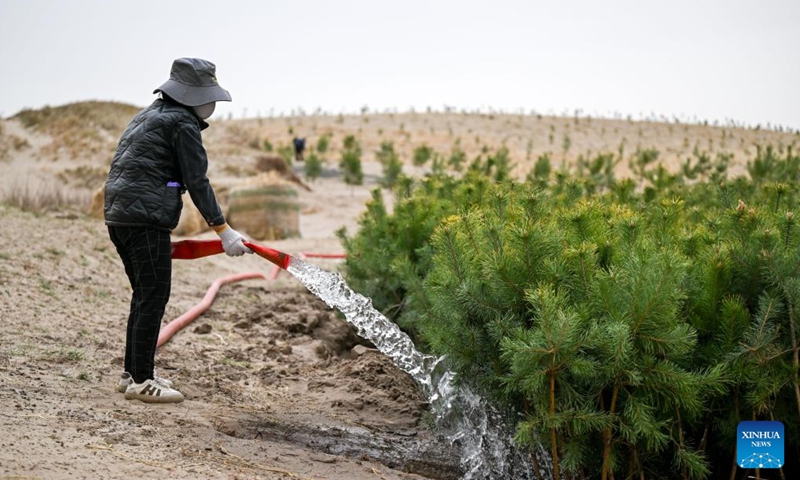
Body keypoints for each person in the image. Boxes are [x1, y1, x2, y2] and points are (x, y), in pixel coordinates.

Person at [104, 58, 252, 403]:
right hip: (145, 219)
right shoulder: (183, 123)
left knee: (143, 295)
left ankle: (132, 374)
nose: (212, 105)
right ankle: (142, 381)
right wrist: (224, 231)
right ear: (193, 96)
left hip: (118, 215)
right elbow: (197, 181)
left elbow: (166, 175)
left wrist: (170, 186)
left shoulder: (149, 115)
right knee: (153, 295)